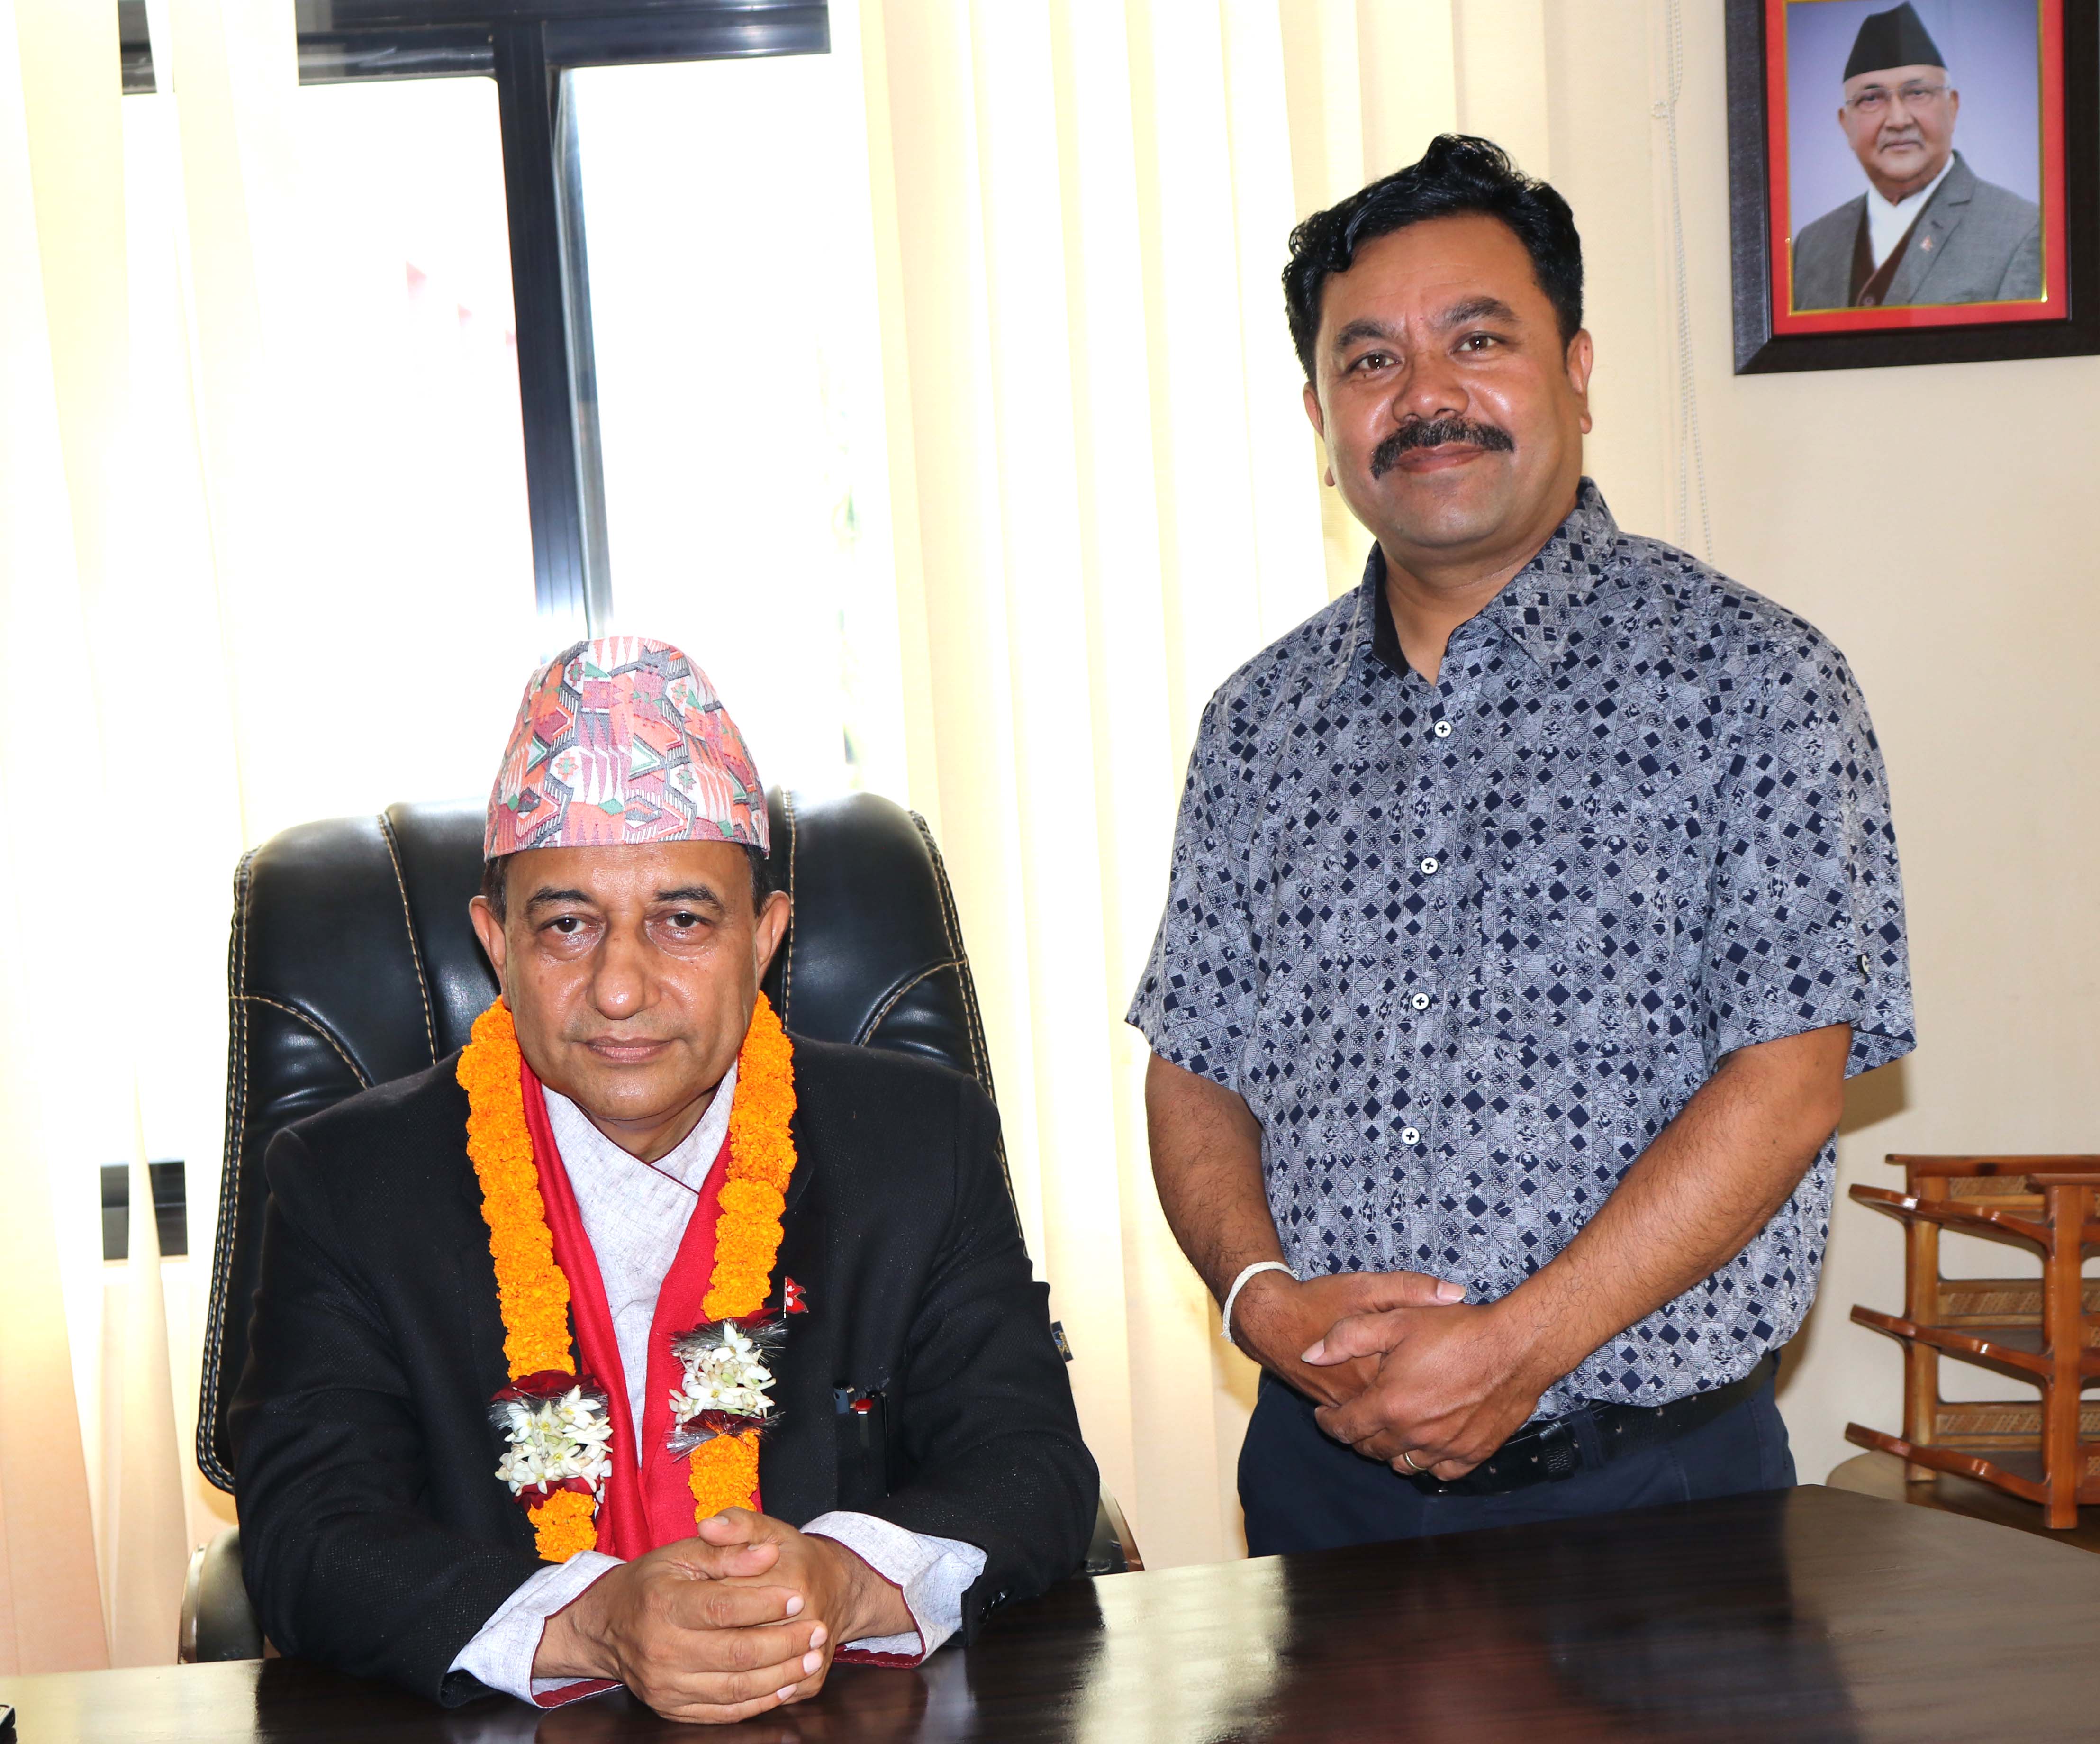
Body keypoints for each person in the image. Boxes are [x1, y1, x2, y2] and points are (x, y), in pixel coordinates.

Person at [1129, 135, 1914, 1554]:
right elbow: (1196, 1058)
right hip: (1322, 1484)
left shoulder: (1754, 682)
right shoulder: (1256, 723)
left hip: (1656, 1499)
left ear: (1576, 369)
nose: (1424, 394)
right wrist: (1255, 1296)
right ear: (1320, 413)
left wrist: (1520, 1345)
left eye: (1476, 339)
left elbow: (1789, 1080)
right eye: (1370, 360)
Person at [232, 638, 1095, 1723]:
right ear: (496, 943)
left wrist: (843, 1578)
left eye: (682, 920)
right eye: (567, 924)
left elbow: (1031, 1466)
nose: (621, 987)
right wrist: (590, 1620)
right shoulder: (349, 1184)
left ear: (765, 937)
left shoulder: (919, 1144)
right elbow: (308, 1534)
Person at [1791, 2, 2041, 310]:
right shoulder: (1811, 245)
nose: (1898, 120)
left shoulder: (2022, 232)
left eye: (1917, 93)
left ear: (1952, 107)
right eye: (1871, 98)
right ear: (1846, 124)